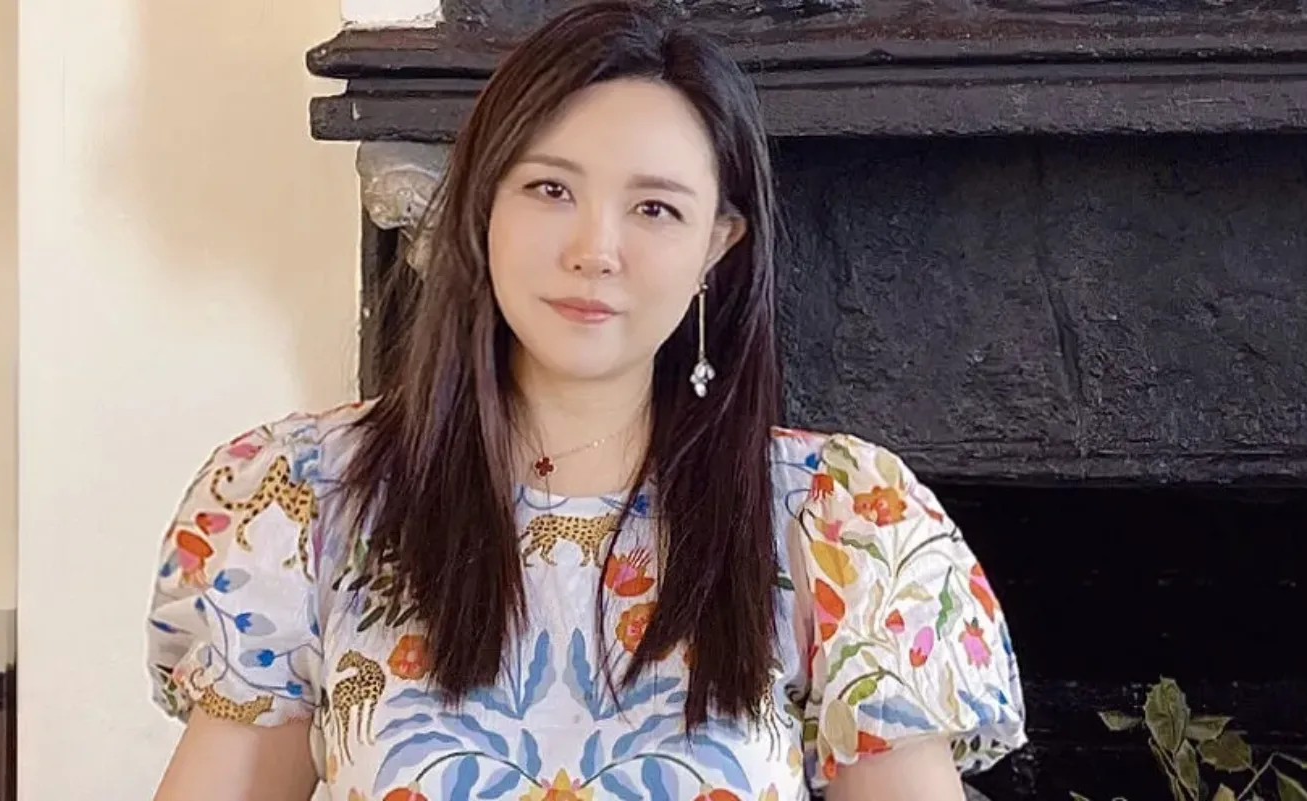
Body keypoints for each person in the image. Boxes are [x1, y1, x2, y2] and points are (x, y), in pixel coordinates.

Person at [144, 2, 1026, 799]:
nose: (596, 249)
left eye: (655, 209)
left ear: (718, 246)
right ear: (483, 201)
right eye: (551, 189)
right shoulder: (303, 498)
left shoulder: (843, 520)